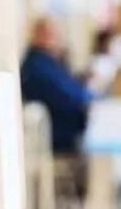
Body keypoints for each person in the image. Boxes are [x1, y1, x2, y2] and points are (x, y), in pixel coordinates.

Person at [21, 17, 93, 152]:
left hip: (66, 125)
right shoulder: (38, 66)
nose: (57, 40)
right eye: (52, 35)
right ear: (38, 36)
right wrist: (90, 94)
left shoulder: (47, 62)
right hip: (61, 133)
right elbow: (72, 97)